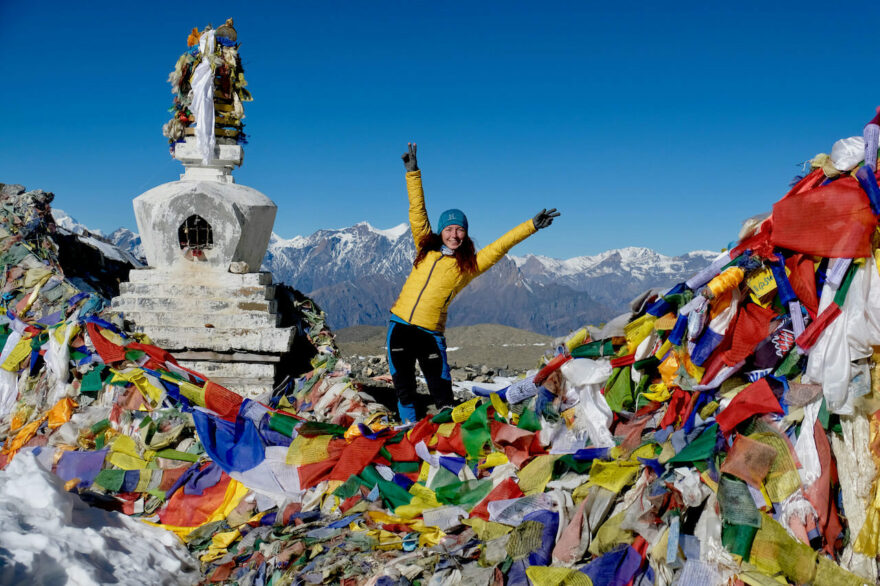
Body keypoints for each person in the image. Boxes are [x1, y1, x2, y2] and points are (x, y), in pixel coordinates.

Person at [387, 143, 560, 422]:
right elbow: (417, 211)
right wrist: (413, 172)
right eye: (449, 229)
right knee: (404, 387)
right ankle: (407, 429)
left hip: (430, 333)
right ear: (441, 231)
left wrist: (532, 225)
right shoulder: (425, 247)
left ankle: (446, 435)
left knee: (442, 393)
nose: (454, 234)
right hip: (399, 327)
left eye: (460, 230)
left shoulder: (468, 266)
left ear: (466, 235)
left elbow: (500, 246)